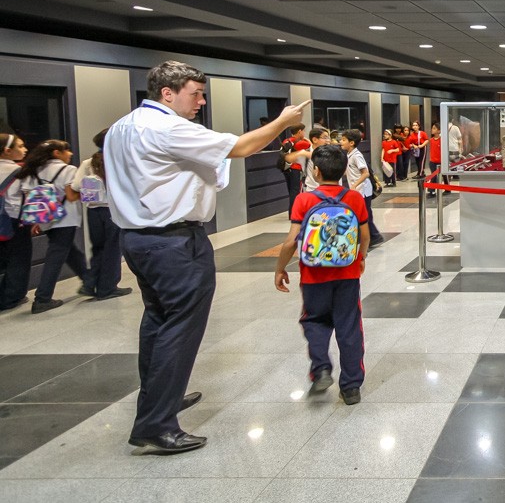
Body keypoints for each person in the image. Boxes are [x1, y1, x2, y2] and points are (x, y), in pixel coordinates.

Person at [106, 60, 308, 455]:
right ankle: (156, 423)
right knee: (181, 327)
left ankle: (159, 398)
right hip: (174, 243)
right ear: (168, 93)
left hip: (138, 239)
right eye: (195, 94)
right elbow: (242, 147)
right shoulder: (167, 127)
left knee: (158, 321)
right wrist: (283, 122)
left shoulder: (122, 126)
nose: (200, 102)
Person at [274, 144, 369, 405]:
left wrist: (280, 267)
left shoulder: (304, 200)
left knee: (314, 321)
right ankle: (350, 387)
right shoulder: (354, 198)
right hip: (347, 275)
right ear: (341, 171)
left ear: (315, 170)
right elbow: (364, 235)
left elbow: (291, 241)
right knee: (349, 327)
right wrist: (360, 257)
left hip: (313, 276)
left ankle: (321, 368)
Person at [14, 139, 93, 314]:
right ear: (57, 153)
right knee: (56, 255)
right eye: (67, 150)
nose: (70, 154)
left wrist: (37, 221)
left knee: (68, 251)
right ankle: (42, 298)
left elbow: (30, 198)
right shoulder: (68, 170)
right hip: (66, 218)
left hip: (45, 218)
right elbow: (72, 197)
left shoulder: (32, 171)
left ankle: (89, 281)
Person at [71, 129, 133, 301]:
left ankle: (90, 283)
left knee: (98, 248)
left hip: (92, 211)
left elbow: (76, 186)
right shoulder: (119, 161)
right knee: (113, 249)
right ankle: (108, 287)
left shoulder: (87, 163)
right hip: (112, 211)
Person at [0, 133, 32, 311]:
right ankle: (11, 297)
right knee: (18, 258)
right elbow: (30, 196)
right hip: (13, 220)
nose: (25, 149)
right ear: (7, 151)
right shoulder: (20, 171)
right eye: (20, 146)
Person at [339, 129, 384, 248]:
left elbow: (365, 173)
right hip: (358, 190)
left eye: (344, 140)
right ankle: (371, 236)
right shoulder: (349, 154)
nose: (341, 142)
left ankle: (373, 236)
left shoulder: (356, 155)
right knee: (363, 214)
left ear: (352, 143)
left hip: (362, 190)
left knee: (364, 214)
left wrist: (354, 186)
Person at [285, 127, 332, 193]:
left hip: (329, 191)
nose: (328, 140)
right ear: (315, 139)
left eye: (328, 138)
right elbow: (287, 158)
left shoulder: (332, 153)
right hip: (311, 190)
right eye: (325, 138)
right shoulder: (306, 153)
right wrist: (302, 153)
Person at [281, 124, 309, 212]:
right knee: (295, 191)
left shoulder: (286, 140)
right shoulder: (300, 143)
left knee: (291, 190)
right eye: (303, 131)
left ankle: (291, 212)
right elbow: (310, 145)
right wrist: (304, 138)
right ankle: (294, 212)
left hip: (286, 168)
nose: (304, 133)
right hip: (295, 168)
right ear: (299, 131)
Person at [427, 122, 442, 197]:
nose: (432, 130)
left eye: (434, 128)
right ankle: (431, 190)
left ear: (439, 131)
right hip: (432, 162)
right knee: (434, 176)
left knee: (441, 176)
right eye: (432, 128)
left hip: (440, 162)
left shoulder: (442, 140)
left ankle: (447, 188)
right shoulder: (431, 140)